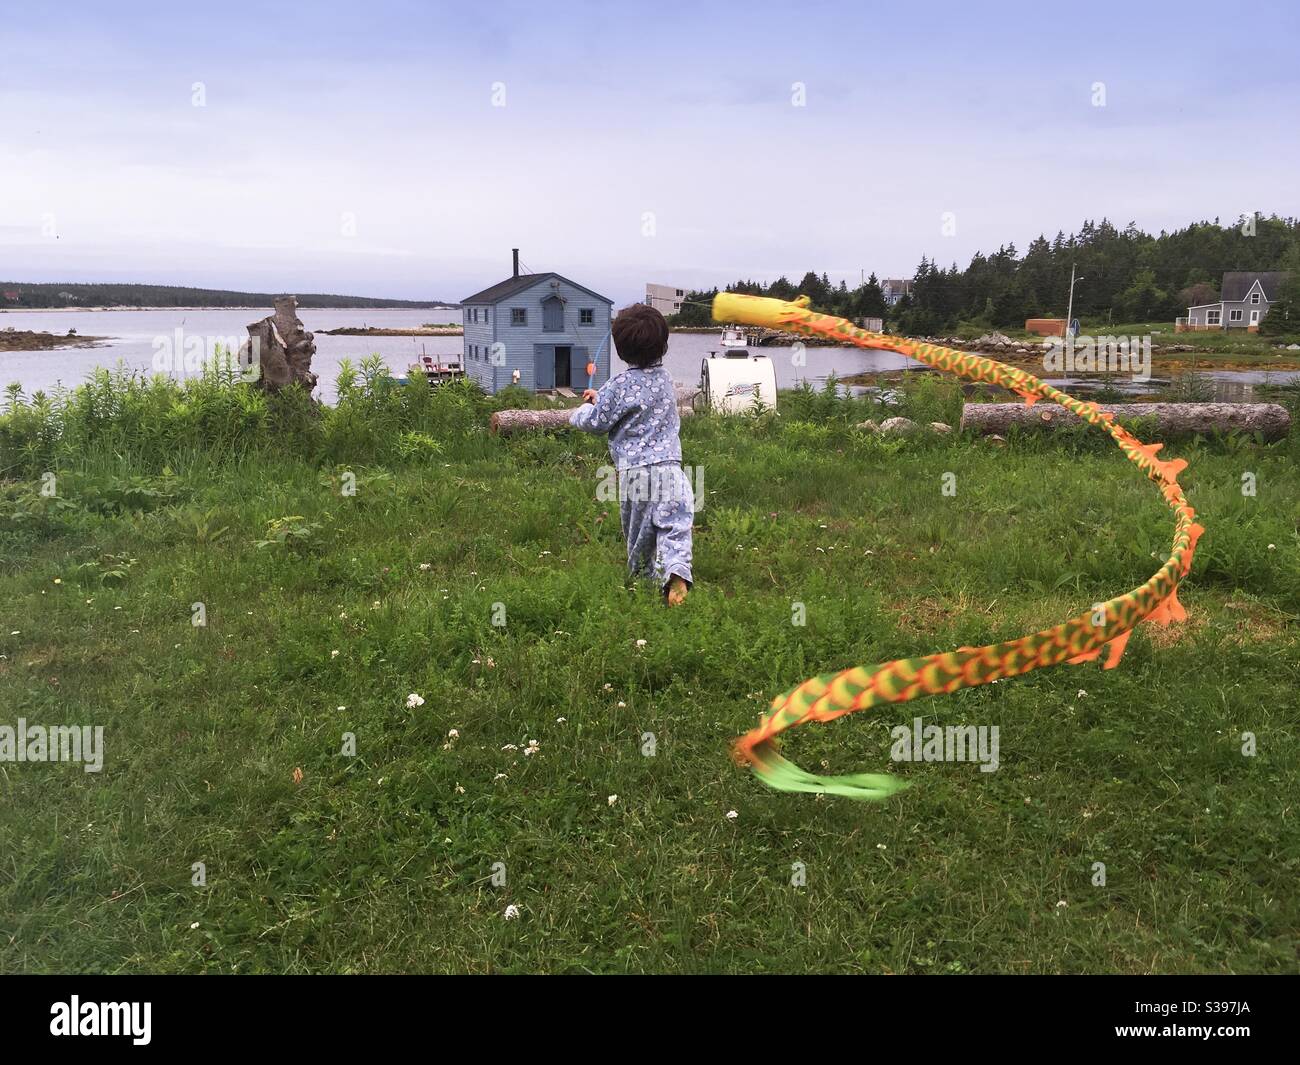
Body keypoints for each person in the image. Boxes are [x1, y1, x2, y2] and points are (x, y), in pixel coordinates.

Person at [569, 304, 693, 606]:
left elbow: (598, 422)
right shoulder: (665, 379)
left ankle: (641, 586)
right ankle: (676, 571)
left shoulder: (617, 385)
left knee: (640, 535)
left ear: (621, 349)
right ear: (662, 345)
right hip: (670, 470)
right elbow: (640, 403)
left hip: (636, 474)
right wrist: (604, 399)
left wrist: (581, 411)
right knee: (675, 526)